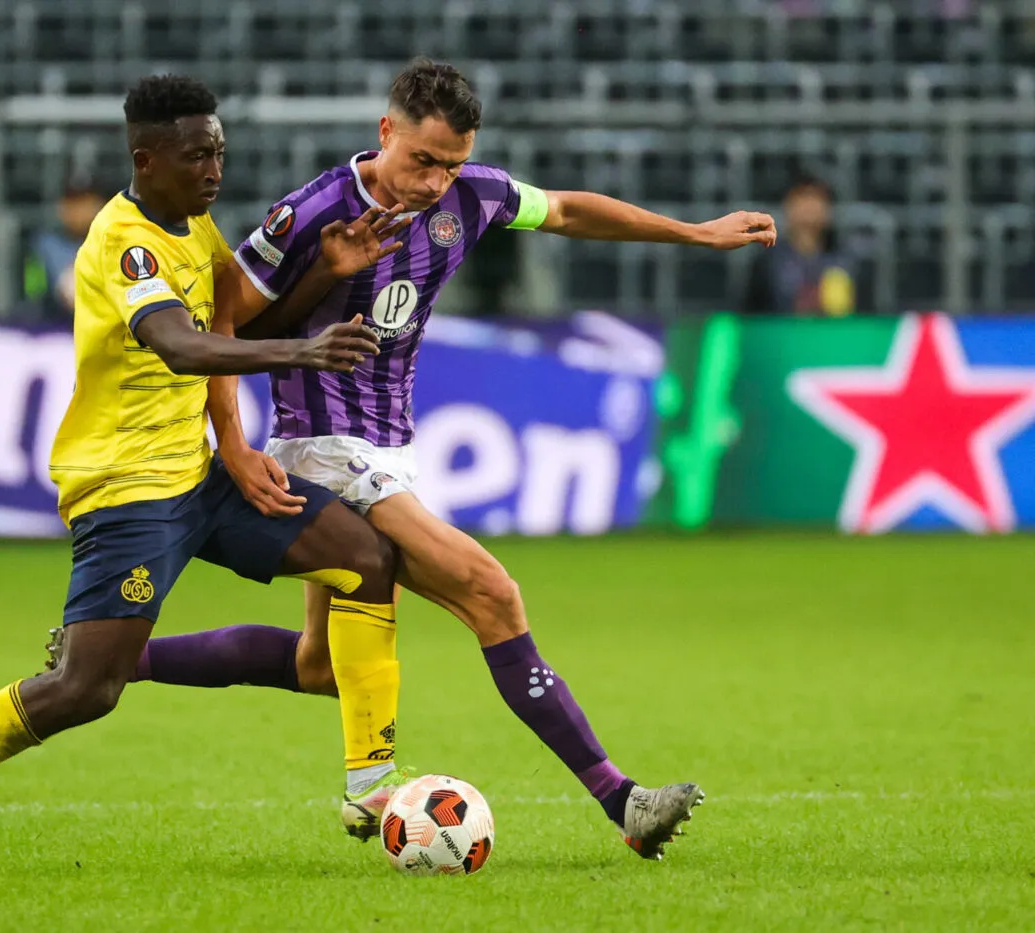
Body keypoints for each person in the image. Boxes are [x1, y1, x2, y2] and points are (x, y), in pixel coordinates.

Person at [128, 59, 777, 861]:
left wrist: (695, 232)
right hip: (322, 446)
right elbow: (227, 319)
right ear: (385, 132)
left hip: (390, 448)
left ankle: (118, 658)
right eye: (423, 160)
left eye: (452, 164)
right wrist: (232, 439)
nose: (436, 182)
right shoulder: (313, 211)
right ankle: (623, 799)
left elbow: (567, 209)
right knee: (490, 591)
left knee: (319, 665)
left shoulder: (476, 194)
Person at [0, 74, 412, 877]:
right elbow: (181, 345)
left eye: (218, 152)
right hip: (127, 490)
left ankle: (369, 786)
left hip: (199, 475)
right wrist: (303, 351)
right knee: (85, 688)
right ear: (146, 160)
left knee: (365, 558)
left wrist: (322, 273)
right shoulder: (124, 241)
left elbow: (235, 324)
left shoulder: (195, 225)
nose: (214, 169)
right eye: (196, 155)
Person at [742, 174, 866, 316]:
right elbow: (751, 314)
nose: (809, 208)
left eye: (816, 199)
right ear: (788, 207)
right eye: (802, 199)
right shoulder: (768, 261)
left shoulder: (845, 261)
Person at [22, 170, 110, 322]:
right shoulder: (44, 246)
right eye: (73, 203)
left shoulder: (116, 244)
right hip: (54, 328)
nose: (79, 212)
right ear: (61, 207)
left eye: (86, 202)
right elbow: (33, 296)